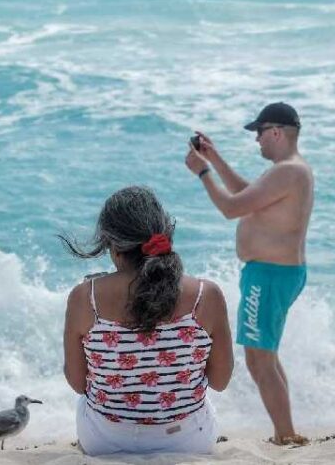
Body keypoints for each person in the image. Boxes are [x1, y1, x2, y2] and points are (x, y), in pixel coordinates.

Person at [62, 185, 234, 457]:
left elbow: (77, 383)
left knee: (86, 404)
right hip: (187, 440)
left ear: (113, 246)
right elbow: (220, 381)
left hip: (105, 440)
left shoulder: (86, 297)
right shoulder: (206, 295)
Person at [185, 101, 312, 445]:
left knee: (258, 360)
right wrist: (214, 158)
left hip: (270, 275)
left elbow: (231, 207)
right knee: (264, 356)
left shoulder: (289, 170)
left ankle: (285, 434)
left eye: (259, 132)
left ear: (276, 132)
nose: (257, 140)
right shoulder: (289, 170)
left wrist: (202, 172)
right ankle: (286, 431)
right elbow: (245, 193)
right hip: (274, 273)